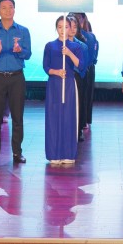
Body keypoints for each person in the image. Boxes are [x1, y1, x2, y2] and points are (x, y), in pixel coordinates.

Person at [0, 0, 32, 164]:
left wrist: (19, 50)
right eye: (4, 8)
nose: (8, 10)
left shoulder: (23, 31)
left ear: (14, 9)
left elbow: (28, 54)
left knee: (17, 117)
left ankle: (17, 153)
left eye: (11, 7)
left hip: (17, 77)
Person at [43, 15, 83, 164]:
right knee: (53, 118)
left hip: (69, 85)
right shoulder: (50, 46)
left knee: (68, 117)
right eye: (59, 27)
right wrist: (56, 72)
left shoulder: (76, 47)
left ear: (70, 28)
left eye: (65, 27)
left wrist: (69, 53)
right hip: (54, 85)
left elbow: (81, 65)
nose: (62, 30)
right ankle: (54, 154)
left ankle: (68, 153)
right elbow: (46, 66)